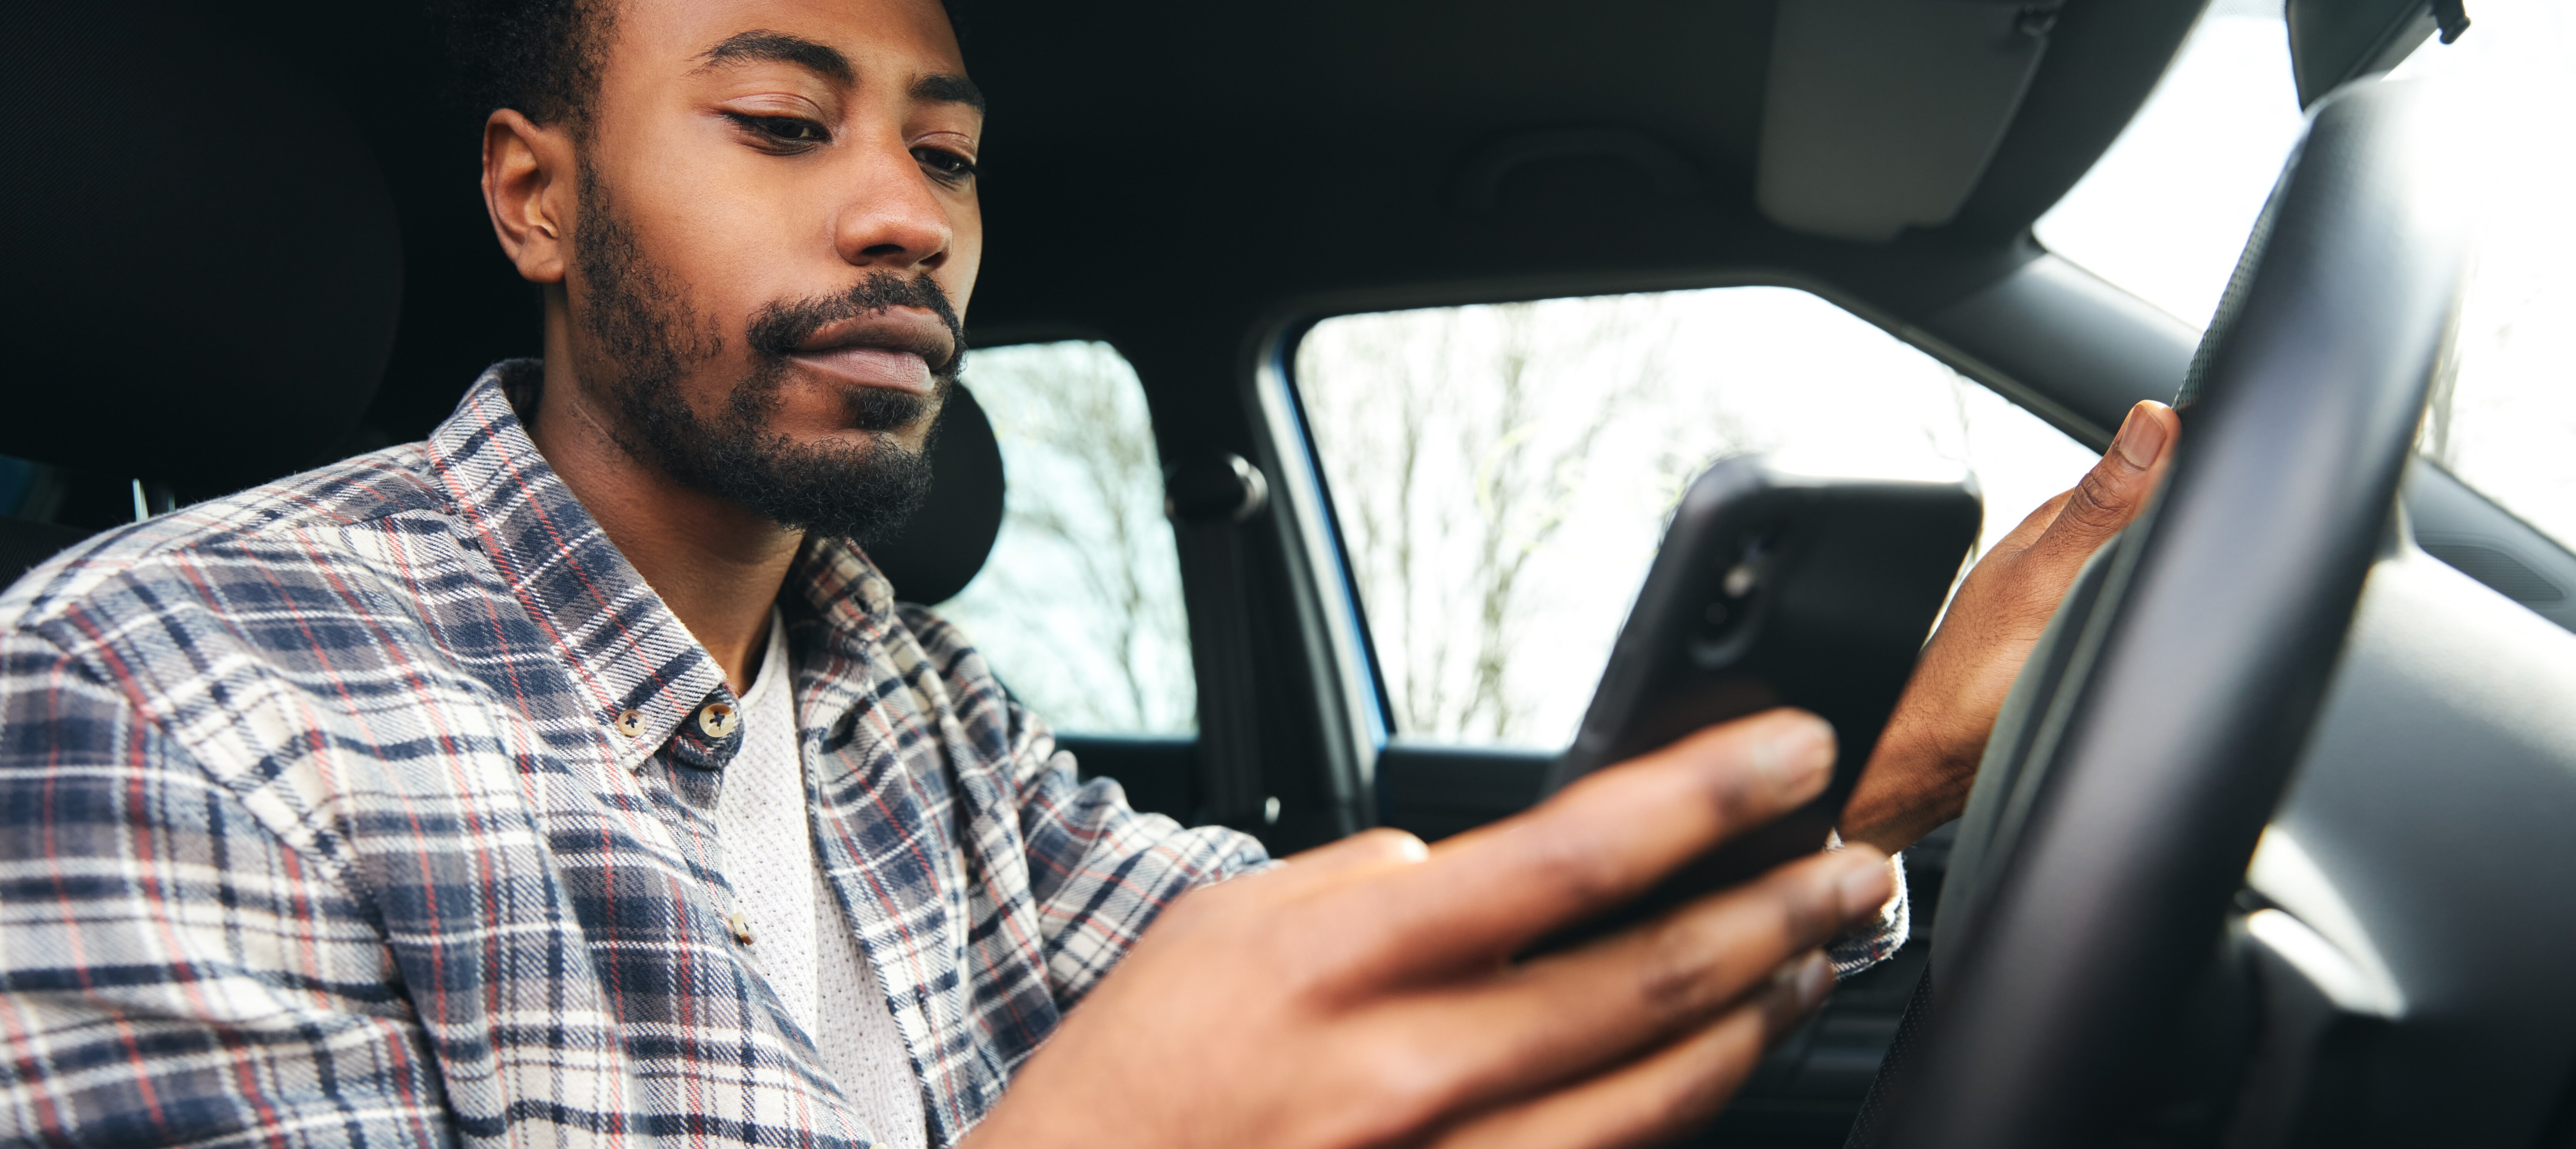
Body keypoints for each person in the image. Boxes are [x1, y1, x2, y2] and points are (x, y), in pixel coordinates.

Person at [0, 0, 2181, 1145]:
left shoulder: (893, 693)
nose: (906, 217)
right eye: (783, 124)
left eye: (944, 152)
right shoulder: (153, 700)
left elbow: (1371, 975)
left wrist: (1891, 769)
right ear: (536, 197)